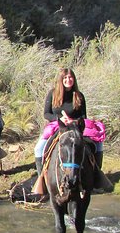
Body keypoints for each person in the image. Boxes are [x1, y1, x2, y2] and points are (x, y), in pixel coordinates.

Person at [30, 68, 107, 198]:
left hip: (75, 126)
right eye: (65, 78)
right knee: (38, 149)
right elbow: (46, 114)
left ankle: (95, 178)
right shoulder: (52, 94)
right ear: (61, 80)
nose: (68, 80)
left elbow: (84, 115)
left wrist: (73, 120)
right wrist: (59, 119)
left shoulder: (79, 95)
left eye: (70, 77)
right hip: (57, 126)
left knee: (98, 145)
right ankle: (42, 180)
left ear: (74, 79)